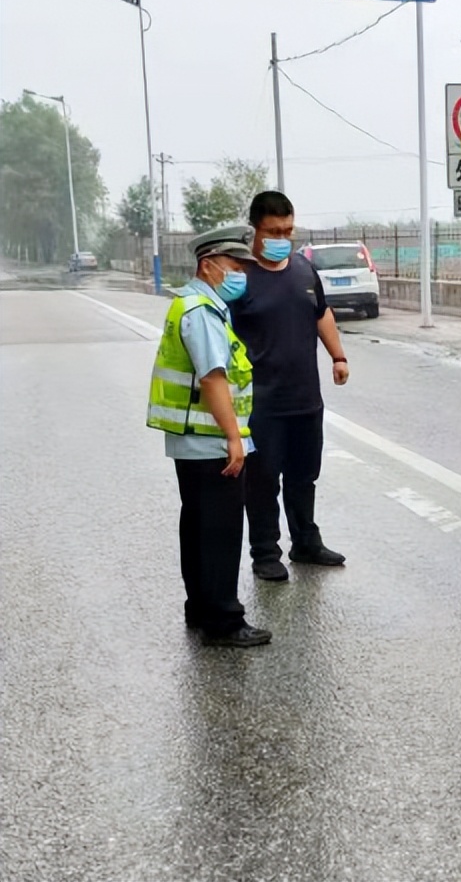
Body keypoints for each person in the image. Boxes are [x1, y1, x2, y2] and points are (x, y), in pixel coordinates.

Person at [146, 225, 271, 648]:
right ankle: (223, 620)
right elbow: (214, 378)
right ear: (209, 264)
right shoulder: (201, 310)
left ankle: (201, 607)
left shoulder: (192, 305)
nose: (242, 275)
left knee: (199, 526)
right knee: (218, 531)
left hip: (194, 439)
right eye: (236, 266)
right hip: (210, 441)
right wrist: (235, 439)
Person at [228, 190, 349, 582]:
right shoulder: (239, 277)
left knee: (303, 475)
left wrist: (338, 356)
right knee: (263, 482)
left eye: (288, 230)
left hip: (304, 399)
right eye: (274, 231)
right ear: (255, 231)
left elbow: (322, 313)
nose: (282, 237)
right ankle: (265, 552)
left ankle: (306, 542)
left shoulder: (302, 270)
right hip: (260, 403)